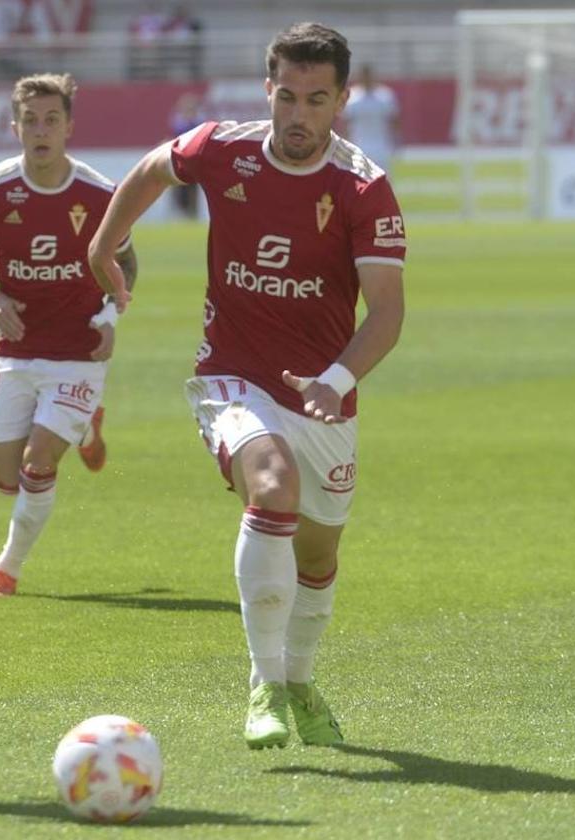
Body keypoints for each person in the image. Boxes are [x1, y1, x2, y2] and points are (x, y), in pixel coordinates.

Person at [89, 22, 405, 750]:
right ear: (268, 90)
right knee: (270, 484)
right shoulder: (223, 148)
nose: (298, 115)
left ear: (342, 100)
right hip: (230, 377)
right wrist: (106, 242)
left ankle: (298, 680)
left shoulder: (362, 187)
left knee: (319, 556)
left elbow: (386, 312)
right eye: (286, 97)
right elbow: (152, 168)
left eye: (315, 99)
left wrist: (336, 378)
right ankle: (263, 682)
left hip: (324, 394)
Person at [0, 73, 137, 599]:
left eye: (52, 119)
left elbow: (127, 262)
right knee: (6, 477)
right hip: (17, 348)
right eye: (30, 120)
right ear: (14, 127)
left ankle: (4, 571)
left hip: (79, 351)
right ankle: (86, 427)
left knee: (37, 462)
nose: (41, 130)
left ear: (69, 127)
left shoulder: (99, 193)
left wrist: (111, 317)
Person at [343, 63, 400, 173]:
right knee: (360, 181)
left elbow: (394, 121)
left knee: (382, 180)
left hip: (381, 146)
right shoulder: (353, 97)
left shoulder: (385, 96)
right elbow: (347, 124)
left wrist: (396, 141)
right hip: (359, 145)